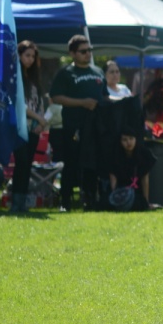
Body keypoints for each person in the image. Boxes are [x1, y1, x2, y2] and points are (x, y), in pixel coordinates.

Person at [51, 35, 107, 210]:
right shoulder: (66, 73)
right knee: (72, 163)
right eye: (83, 51)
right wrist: (82, 102)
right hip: (73, 125)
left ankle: (91, 200)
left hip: (95, 126)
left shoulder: (98, 72)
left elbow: (104, 96)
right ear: (72, 53)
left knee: (93, 163)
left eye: (89, 50)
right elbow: (55, 97)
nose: (88, 54)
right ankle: (65, 201)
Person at [6, 40, 50, 214]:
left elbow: (39, 102)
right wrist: (39, 118)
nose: (30, 59)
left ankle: (22, 203)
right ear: (19, 55)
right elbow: (19, 104)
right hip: (19, 126)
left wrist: (40, 123)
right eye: (27, 55)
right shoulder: (15, 76)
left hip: (34, 128)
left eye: (33, 56)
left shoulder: (34, 78)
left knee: (27, 165)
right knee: (21, 162)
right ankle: (15, 203)